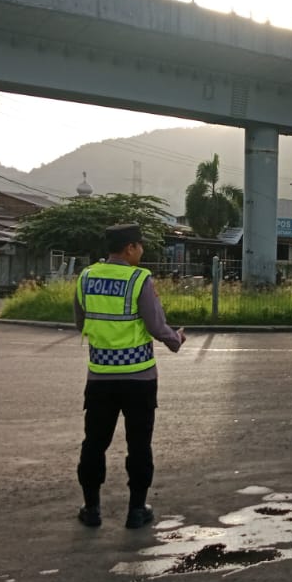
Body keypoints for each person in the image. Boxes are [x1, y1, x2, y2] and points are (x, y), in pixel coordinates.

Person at [73, 223, 186, 529]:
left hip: (100, 377)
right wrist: (175, 339)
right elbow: (155, 325)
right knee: (139, 444)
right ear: (130, 248)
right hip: (139, 378)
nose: (142, 251)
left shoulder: (86, 277)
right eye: (140, 245)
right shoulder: (139, 279)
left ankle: (91, 509)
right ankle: (136, 510)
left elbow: (81, 322)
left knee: (94, 443)